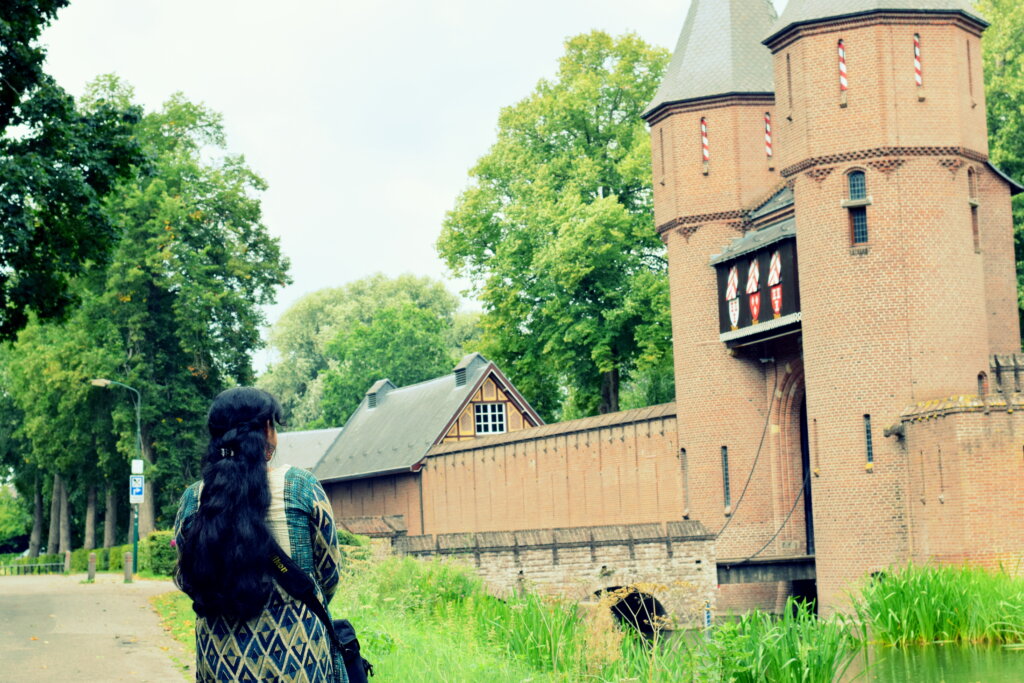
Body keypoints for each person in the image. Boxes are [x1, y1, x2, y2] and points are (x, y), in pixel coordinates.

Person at [174, 387, 346, 682]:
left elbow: (186, 579)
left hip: (220, 663)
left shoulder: (194, 499)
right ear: (267, 430)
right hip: (301, 661)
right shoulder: (300, 487)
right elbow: (329, 575)